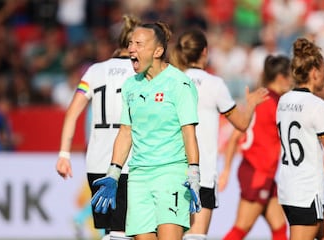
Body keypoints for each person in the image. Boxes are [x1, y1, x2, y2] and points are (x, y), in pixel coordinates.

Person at [90, 22, 201, 240]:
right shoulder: (131, 86)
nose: (132, 48)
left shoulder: (180, 84)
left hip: (171, 175)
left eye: (139, 44)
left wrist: (194, 172)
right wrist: (113, 173)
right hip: (138, 177)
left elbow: (189, 133)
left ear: (158, 51)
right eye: (130, 43)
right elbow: (125, 132)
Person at [168, 28, 269, 240]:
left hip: (170, 171)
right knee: (196, 236)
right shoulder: (214, 84)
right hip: (202, 171)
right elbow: (241, 124)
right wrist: (250, 105)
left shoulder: (170, 81)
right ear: (205, 52)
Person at [55, 14, 141, 240]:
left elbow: (72, 113)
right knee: (124, 232)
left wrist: (64, 154)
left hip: (96, 162)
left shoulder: (94, 71)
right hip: (128, 162)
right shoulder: (140, 73)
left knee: (108, 232)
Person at [220, 54, 292, 240]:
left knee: (280, 229)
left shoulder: (259, 98)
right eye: (290, 76)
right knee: (241, 228)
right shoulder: (275, 103)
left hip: (258, 171)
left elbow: (235, 136)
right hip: (258, 172)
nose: (292, 82)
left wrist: (227, 170)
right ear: (281, 77)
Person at [276, 37, 324, 240]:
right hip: (306, 192)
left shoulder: (283, 101)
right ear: (313, 72)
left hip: (288, 187)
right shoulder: (317, 105)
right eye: (323, 72)